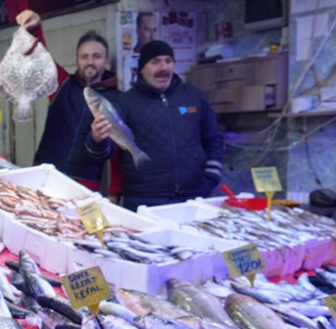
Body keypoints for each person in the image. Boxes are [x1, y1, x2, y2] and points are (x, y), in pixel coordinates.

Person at [86, 40, 223, 210]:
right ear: (142, 68)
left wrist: (212, 176)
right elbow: (108, 150)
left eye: (168, 61)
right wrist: (96, 139)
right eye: (155, 62)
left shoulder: (194, 97)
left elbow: (214, 138)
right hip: (144, 203)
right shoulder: (124, 103)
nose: (163, 67)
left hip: (194, 198)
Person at [28, 27, 118, 189]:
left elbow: (117, 154)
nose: (90, 62)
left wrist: (114, 193)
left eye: (96, 56)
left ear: (106, 61)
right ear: (77, 61)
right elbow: (40, 57)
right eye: (84, 57)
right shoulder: (61, 84)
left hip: (84, 184)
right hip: (44, 176)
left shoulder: (117, 99)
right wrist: (35, 28)